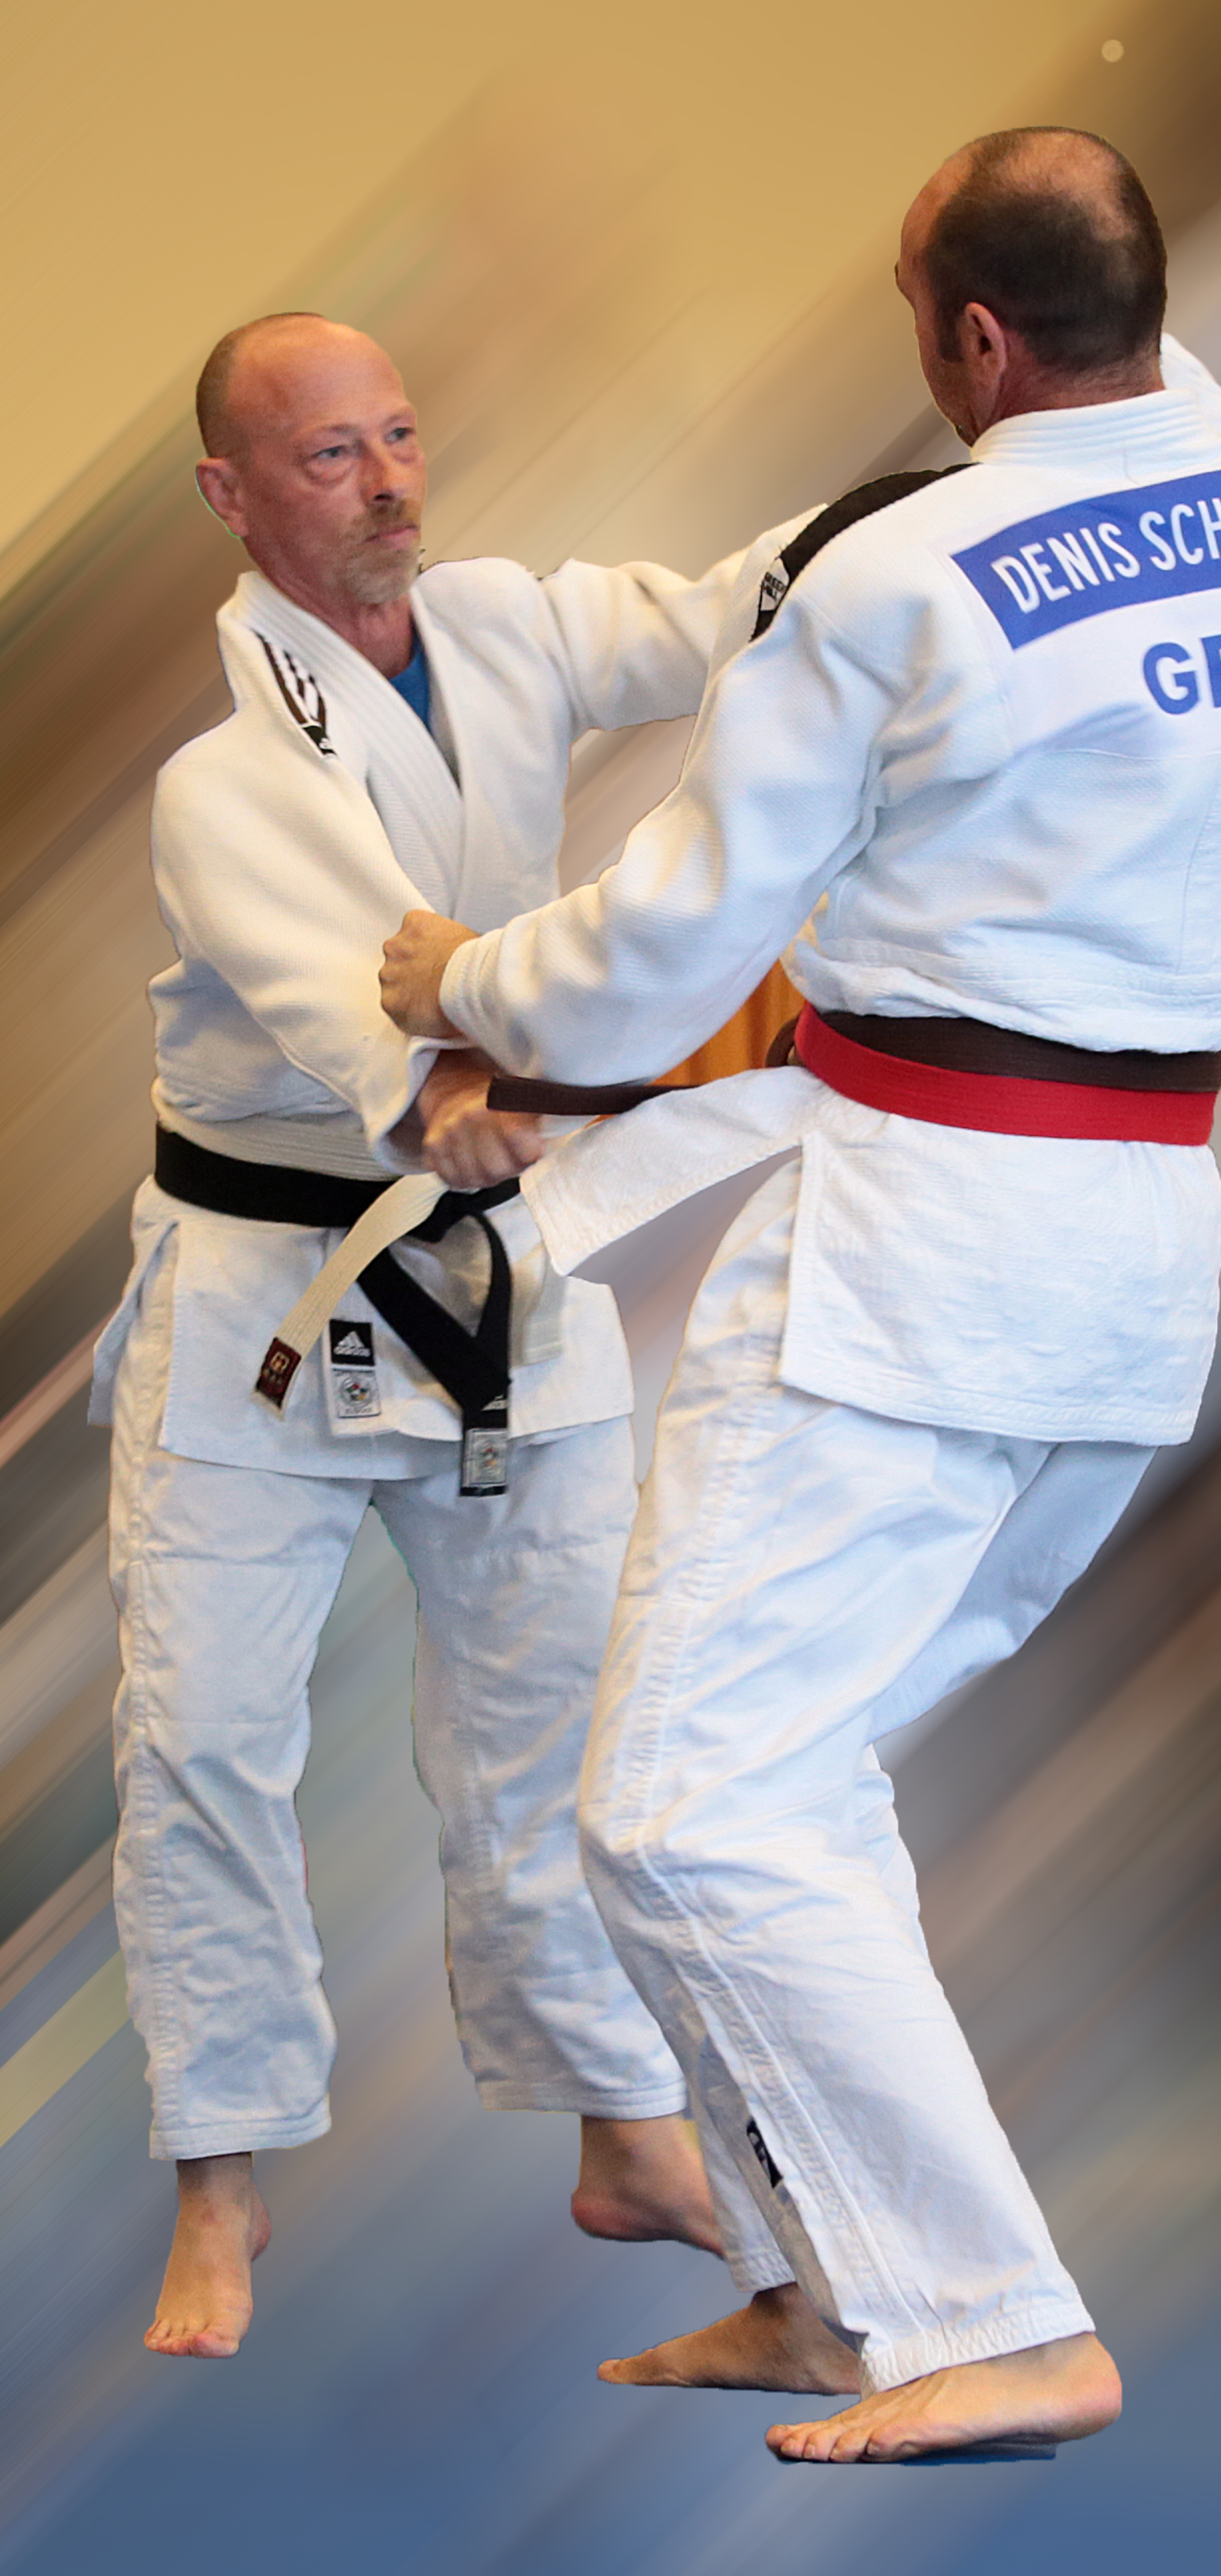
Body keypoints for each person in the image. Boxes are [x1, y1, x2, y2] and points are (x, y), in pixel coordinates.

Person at [381, 125, 1221, 2461]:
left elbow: (656, 954)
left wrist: (455, 972)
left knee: (686, 1800)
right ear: (1140, 301)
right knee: (772, 1779)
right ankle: (834, 2286)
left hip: (914, 1247)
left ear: (971, 338)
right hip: (1131, 1249)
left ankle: (994, 2315)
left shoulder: (890, 583)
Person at [91, 311, 756, 2359]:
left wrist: (914, 529)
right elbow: (354, 1009)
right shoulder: (219, 782)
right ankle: (222, 2178)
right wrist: (462, 1092)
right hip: (271, 1296)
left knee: (554, 1714)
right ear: (230, 496)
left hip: (486, 1271)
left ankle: (623, 2122)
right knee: (206, 1736)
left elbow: (714, 611)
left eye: (398, 437)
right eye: (329, 456)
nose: (387, 482)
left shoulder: (501, 626)